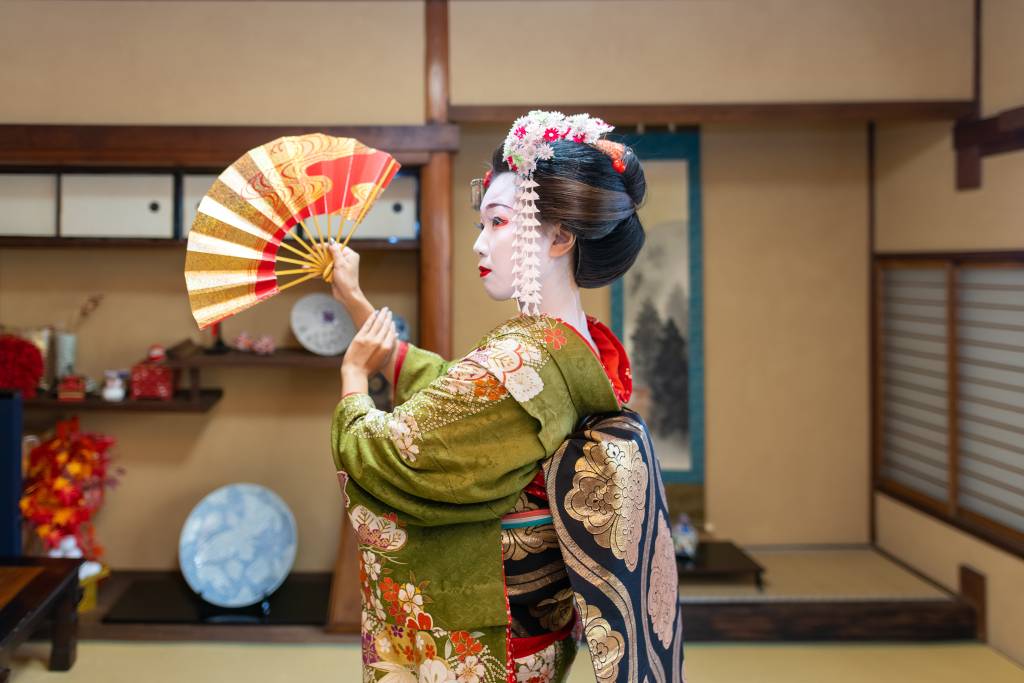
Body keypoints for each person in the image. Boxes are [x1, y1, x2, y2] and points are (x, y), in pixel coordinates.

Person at [328, 111, 684, 683]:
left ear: (562, 236)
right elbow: (457, 399)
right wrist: (356, 302)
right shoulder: (580, 345)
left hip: (478, 631)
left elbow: (396, 451)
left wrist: (351, 379)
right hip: (535, 629)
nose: (478, 241)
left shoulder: (517, 364)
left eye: (497, 221)